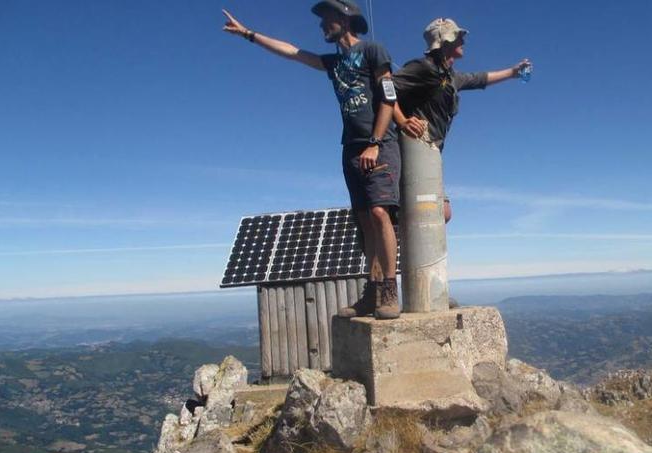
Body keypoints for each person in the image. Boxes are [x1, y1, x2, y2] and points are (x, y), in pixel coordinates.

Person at [222, 0, 402, 319]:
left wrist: (374, 143)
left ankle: (389, 290)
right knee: (363, 221)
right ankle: (373, 292)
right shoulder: (333, 63)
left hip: (379, 144)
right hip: (350, 148)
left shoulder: (374, 51)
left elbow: (388, 97)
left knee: (378, 212)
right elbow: (292, 52)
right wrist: (249, 34)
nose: (322, 25)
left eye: (327, 19)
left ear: (345, 19)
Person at [393, 18, 532, 224]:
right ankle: (394, 241)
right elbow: (385, 87)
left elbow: (479, 79)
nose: (463, 42)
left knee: (443, 212)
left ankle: (402, 239)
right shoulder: (424, 68)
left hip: (432, 153)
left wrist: (512, 73)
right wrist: (402, 121)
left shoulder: (450, 77)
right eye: (458, 38)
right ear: (445, 42)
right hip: (413, 150)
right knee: (421, 211)